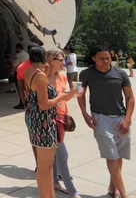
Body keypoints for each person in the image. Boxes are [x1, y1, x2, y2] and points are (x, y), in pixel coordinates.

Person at [78, 46, 134, 198]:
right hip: (101, 118)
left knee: (119, 154)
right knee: (111, 156)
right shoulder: (86, 74)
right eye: (102, 58)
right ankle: (124, 195)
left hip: (121, 118)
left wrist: (127, 120)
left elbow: (130, 98)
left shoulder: (120, 73)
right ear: (94, 58)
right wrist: (85, 114)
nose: (106, 61)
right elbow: (80, 94)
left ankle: (112, 187)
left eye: (108, 58)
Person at [24, 46, 77, 198]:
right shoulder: (39, 75)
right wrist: (60, 97)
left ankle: (47, 194)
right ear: (44, 58)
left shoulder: (29, 71)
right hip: (44, 122)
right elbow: (44, 104)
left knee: (43, 165)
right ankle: (47, 195)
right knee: (46, 166)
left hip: (34, 119)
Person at [47, 49, 81, 198]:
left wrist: (71, 94)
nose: (63, 62)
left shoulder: (62, 77)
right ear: (50, 60)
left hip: (61, 118)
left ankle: (55, 182)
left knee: (55, 154)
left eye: (63, 59)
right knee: (62, 155)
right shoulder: (42, 78)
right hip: (48, 120)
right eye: (60, 60)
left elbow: (63, 99)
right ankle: (73, 191)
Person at [14, 44, 30, 109]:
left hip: (19, 73)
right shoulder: (27, 54)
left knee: (20, 89)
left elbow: (14, 65)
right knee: (26, 89)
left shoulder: (18, 55)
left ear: (18, 48)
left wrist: (10, 70)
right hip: (28, 74)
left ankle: (22, 103)